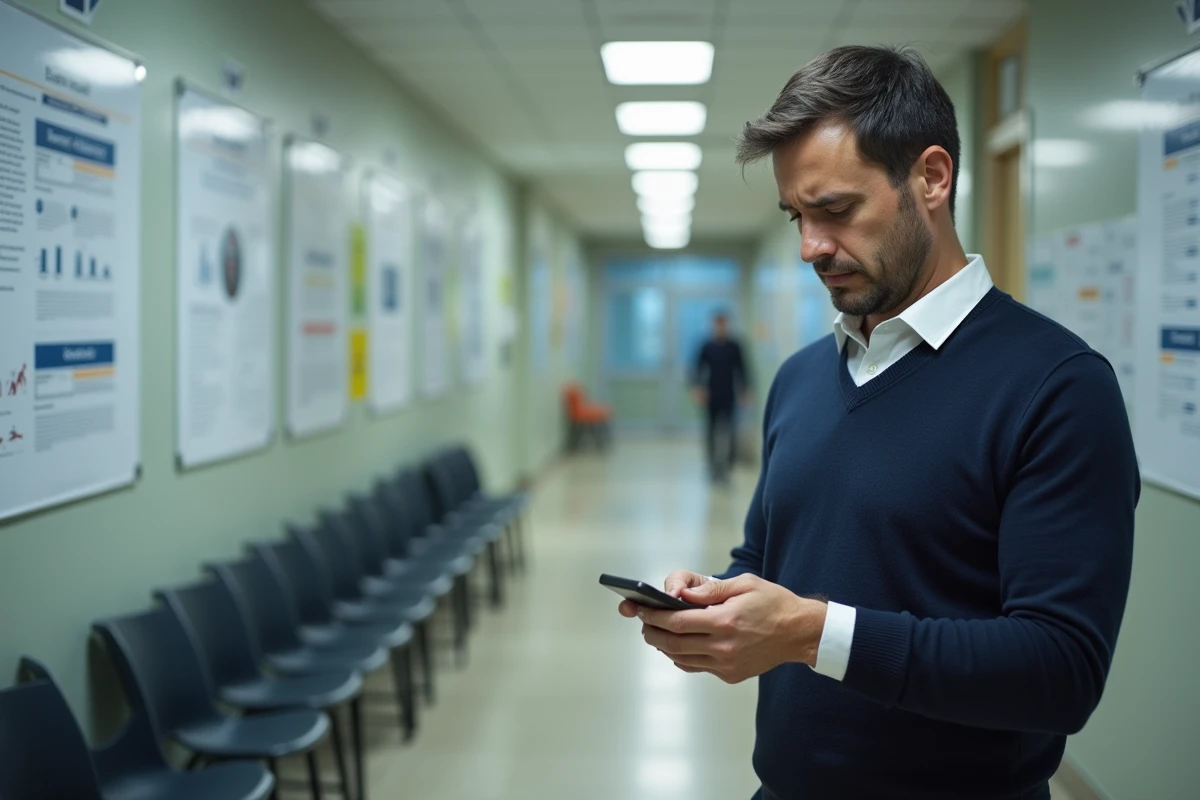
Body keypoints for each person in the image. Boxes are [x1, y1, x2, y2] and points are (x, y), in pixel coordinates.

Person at [617, 45, 1138, 800]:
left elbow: (1061, 670)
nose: (811, 248)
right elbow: (769, 552)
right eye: (797, 216)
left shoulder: (1055, 387)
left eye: (835, 211)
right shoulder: (800, 379)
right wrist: (718, 604)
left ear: (931, 177)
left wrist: (806, 632)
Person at [691, 312, 750, 483]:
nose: (720, 327)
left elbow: (743, 369)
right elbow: (697, 369)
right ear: (713, 325)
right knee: (711, 431)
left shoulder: (734, 346)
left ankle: (727, 466)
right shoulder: (707, 346)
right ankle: (712, 466)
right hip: (711, 395)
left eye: (723, 324)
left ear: (727, 325)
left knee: (731, 432)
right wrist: (698, 388)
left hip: (729, 394)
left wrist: (745, 390)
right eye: (717, 324)